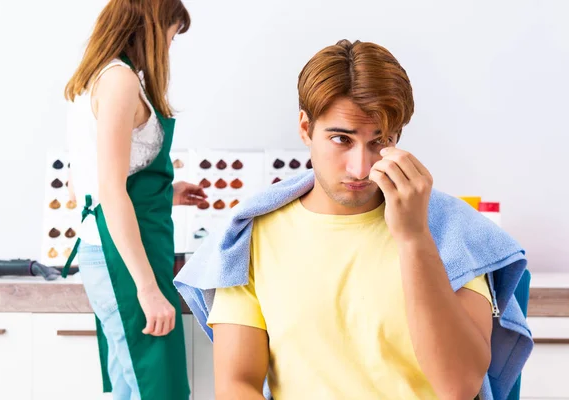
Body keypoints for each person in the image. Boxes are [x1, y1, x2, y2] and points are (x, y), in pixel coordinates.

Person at [174, 40, 531, 400]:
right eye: (342, 139)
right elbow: (238, 384)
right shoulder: (251, 237)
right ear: (305, 128)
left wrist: (413, 238)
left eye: (380, 142)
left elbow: (459, 387)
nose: (361, 168)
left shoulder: (451, 232)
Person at [62, 1, 205, 399]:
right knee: (158, 387)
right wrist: (147, 289)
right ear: (151, 29)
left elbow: (82, 186)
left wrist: (168, 194)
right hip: (124, 257)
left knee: (131, 385)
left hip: (116, 249)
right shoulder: (120, 81)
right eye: (171, 37)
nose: (169, 50)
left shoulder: (92, 79)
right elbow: (109, 192)